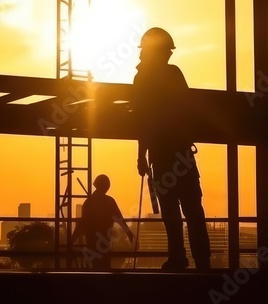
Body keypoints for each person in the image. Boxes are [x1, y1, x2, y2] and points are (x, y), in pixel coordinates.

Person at [132, 27, 210, 272]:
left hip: (163, 154)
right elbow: (186, 107)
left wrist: (141, 155)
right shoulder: (171, 74)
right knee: (192, 210)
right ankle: (200, 261)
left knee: (173, 212)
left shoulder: (142, 78)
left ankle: (179, 257)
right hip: (179, 153)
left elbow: (142, 120)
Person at [72, 174, 134, 270]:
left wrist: (72, 239)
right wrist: (128, 232)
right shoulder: (109, 201)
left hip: (92, 243)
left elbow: (81, 224)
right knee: (104, 269)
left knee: (92, 269)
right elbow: (119, 218)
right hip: (104, 243)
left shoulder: (89, 202)